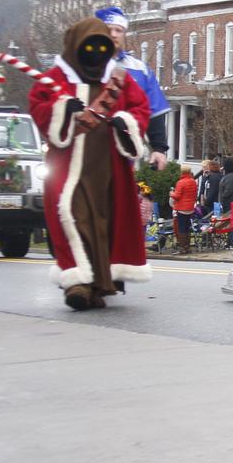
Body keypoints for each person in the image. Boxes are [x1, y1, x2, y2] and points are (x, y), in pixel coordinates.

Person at [28, 17, 151, 310]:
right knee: (73, 217)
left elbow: (140, 107)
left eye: (101, 46)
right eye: (89, 46)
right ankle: (77, 283)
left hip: (109, 167)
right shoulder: (56, 79)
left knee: (105, 221)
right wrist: (61, 110)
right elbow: (38, 105)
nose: (96, 53)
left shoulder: (120, 80)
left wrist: (126, 123)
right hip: (67, 167)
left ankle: (99, 283)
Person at [94, 6, 170, 170]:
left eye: (118, 30)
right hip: (89, 151)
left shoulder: (139, 69)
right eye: (108, 29)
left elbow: (154, 111)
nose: (113, 34)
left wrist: (158, 148)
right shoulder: (83, 65)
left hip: (125, 155)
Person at [170, 165, 197, 255]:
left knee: (181, 228)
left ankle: (182, 248)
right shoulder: (193, 182)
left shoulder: (180, 182)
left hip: (181, 208)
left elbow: (177, 196)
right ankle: (187, 247)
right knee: (187, 227)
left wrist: (171, 193)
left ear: (182, 172)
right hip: (190, 208)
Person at [218, 158, 233, 247]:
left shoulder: (230, 177)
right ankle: (230, 240)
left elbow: (228, 191)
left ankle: (232, 241)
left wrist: (222, 198)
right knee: (231, 222)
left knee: (230, 222)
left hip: (230, 203)